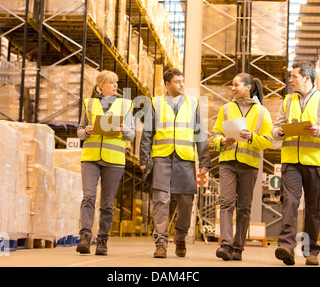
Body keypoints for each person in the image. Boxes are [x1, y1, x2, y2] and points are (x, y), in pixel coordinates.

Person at [272, 61, 320, 266]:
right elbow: (274, 131)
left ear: (307, 78)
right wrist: (280, 131)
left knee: (312, 207)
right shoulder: (287, 101)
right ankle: (286, 246)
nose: (290, 80)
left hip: (315, 162)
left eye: (294, 76)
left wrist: (318, 130)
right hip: (291, 161)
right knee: (290, 202)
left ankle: (311, 251)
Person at [139, 68, 211, 258]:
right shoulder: (155, 103)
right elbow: (147, 134)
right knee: (161, 200)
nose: (181, 84)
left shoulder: (192, 104)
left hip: (185, 160)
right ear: (167, 84)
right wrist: (144, 160)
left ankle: (180, 237)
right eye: (177, 81)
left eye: (182, 81)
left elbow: (200, 134)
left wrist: (205, 161)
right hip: (162, 159)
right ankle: (161, 243)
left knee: (186, 202)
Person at [211, 72, 273, 261]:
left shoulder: (262, 112)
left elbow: (268, 140)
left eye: (236, 85)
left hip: (249, 165)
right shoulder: (226, 109)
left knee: (244, 207)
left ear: (248, 87)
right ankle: (226, 245)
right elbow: (215, 134)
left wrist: (252, 137)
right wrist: (222, 141)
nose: (233, 88)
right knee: (227, 203)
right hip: (228, 162)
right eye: (233, 84)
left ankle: (238, 247)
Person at [76, 70, 135, 256]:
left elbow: (132, 134)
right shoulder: (89, 103)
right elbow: (79, 130)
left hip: (114, 159)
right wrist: (86, 131)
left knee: (107, 204)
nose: (115, 85)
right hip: (91, 157)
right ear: (101, 85)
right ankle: (85, 236)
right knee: (88, 197)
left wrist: (125, 129)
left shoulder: (126, 105)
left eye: (116, 82)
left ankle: (102, 240)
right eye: (111, 82)